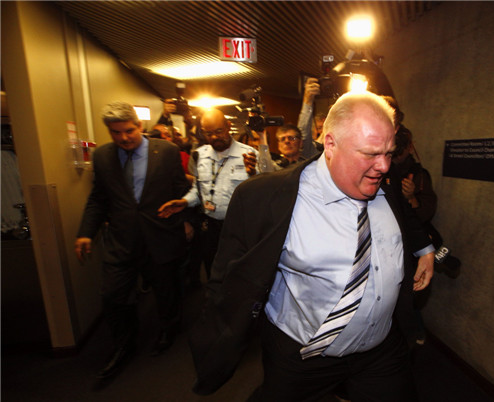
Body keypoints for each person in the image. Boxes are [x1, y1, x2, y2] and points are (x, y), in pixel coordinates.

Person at [187, 91, 435, 401]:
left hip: (381, 348)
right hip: (302, 355)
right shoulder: (265, 197)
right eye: (371, 153)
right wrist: (214, 341)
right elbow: (228, 277)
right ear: (330, 144)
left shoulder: (385, 178)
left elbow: (405, 215)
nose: (384, 165)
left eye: (389, 152)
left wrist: (423, 248)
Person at [74, 102, 190, 379]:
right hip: (121, 240)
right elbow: (98, 199)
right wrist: (85, 232)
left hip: (160, 235)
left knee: (166, 290)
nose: (124, 138)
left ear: (140, 126)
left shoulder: (167, 152)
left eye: (129, 131)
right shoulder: (102, 157)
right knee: (113, 295)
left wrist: (186, 219)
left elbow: (182, 190)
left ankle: (167, 329)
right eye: (116, 133)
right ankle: (124, 344)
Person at [157, 108, 258, 281]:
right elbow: (199, 189)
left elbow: (260, 194)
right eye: (208, 133)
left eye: (219, 131)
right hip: (209, 227)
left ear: (228, 126)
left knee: (238, 275)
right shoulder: (199, 155)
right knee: (212, 272)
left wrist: (254, 175)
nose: (214, 137)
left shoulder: (249, 155)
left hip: (239, 229)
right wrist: (184, 202)